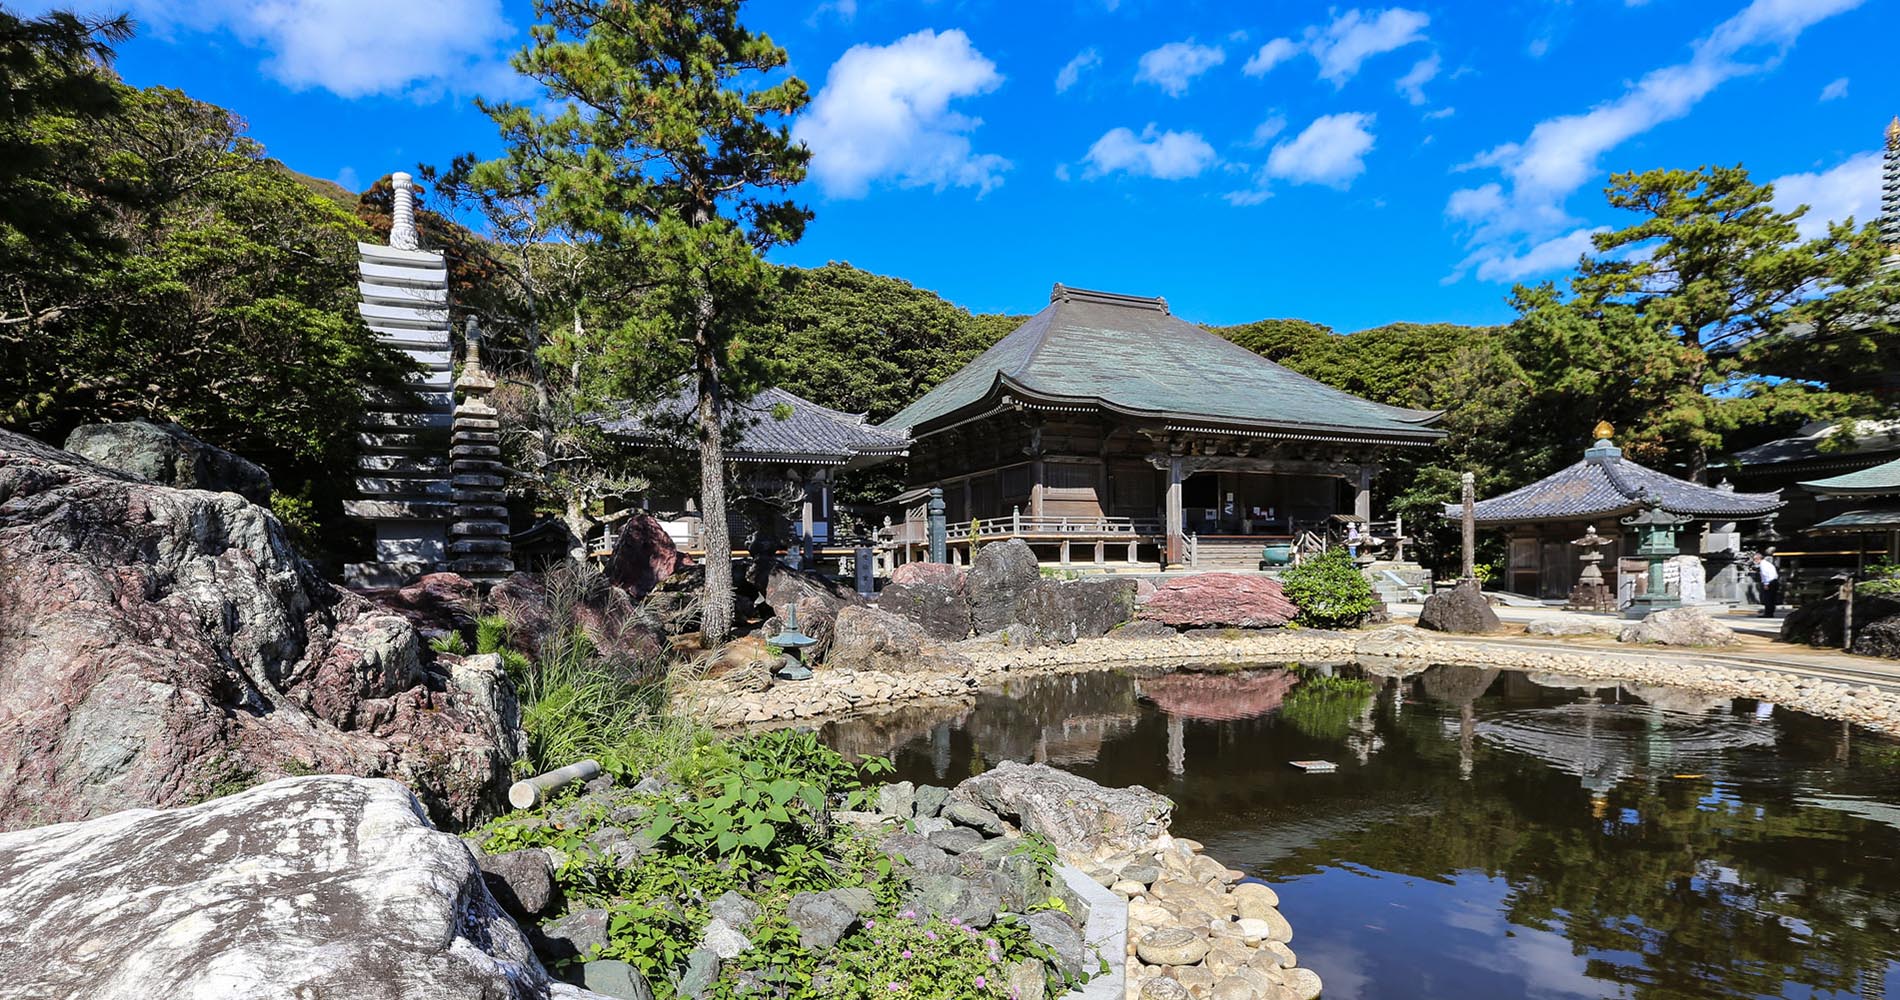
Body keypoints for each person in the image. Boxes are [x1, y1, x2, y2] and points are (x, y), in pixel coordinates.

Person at [1752, 550, 1780, 617]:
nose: (1754, 561)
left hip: (1770, 582)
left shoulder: (1763, 565)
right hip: (1774, 581)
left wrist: (1766, 584)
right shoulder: (1767, 564)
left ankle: (1768, 613)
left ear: (1758, 559)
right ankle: (1770, 613)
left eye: (1754, 559)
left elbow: (1766, 575)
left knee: (1768, 599)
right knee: (1771, 599)